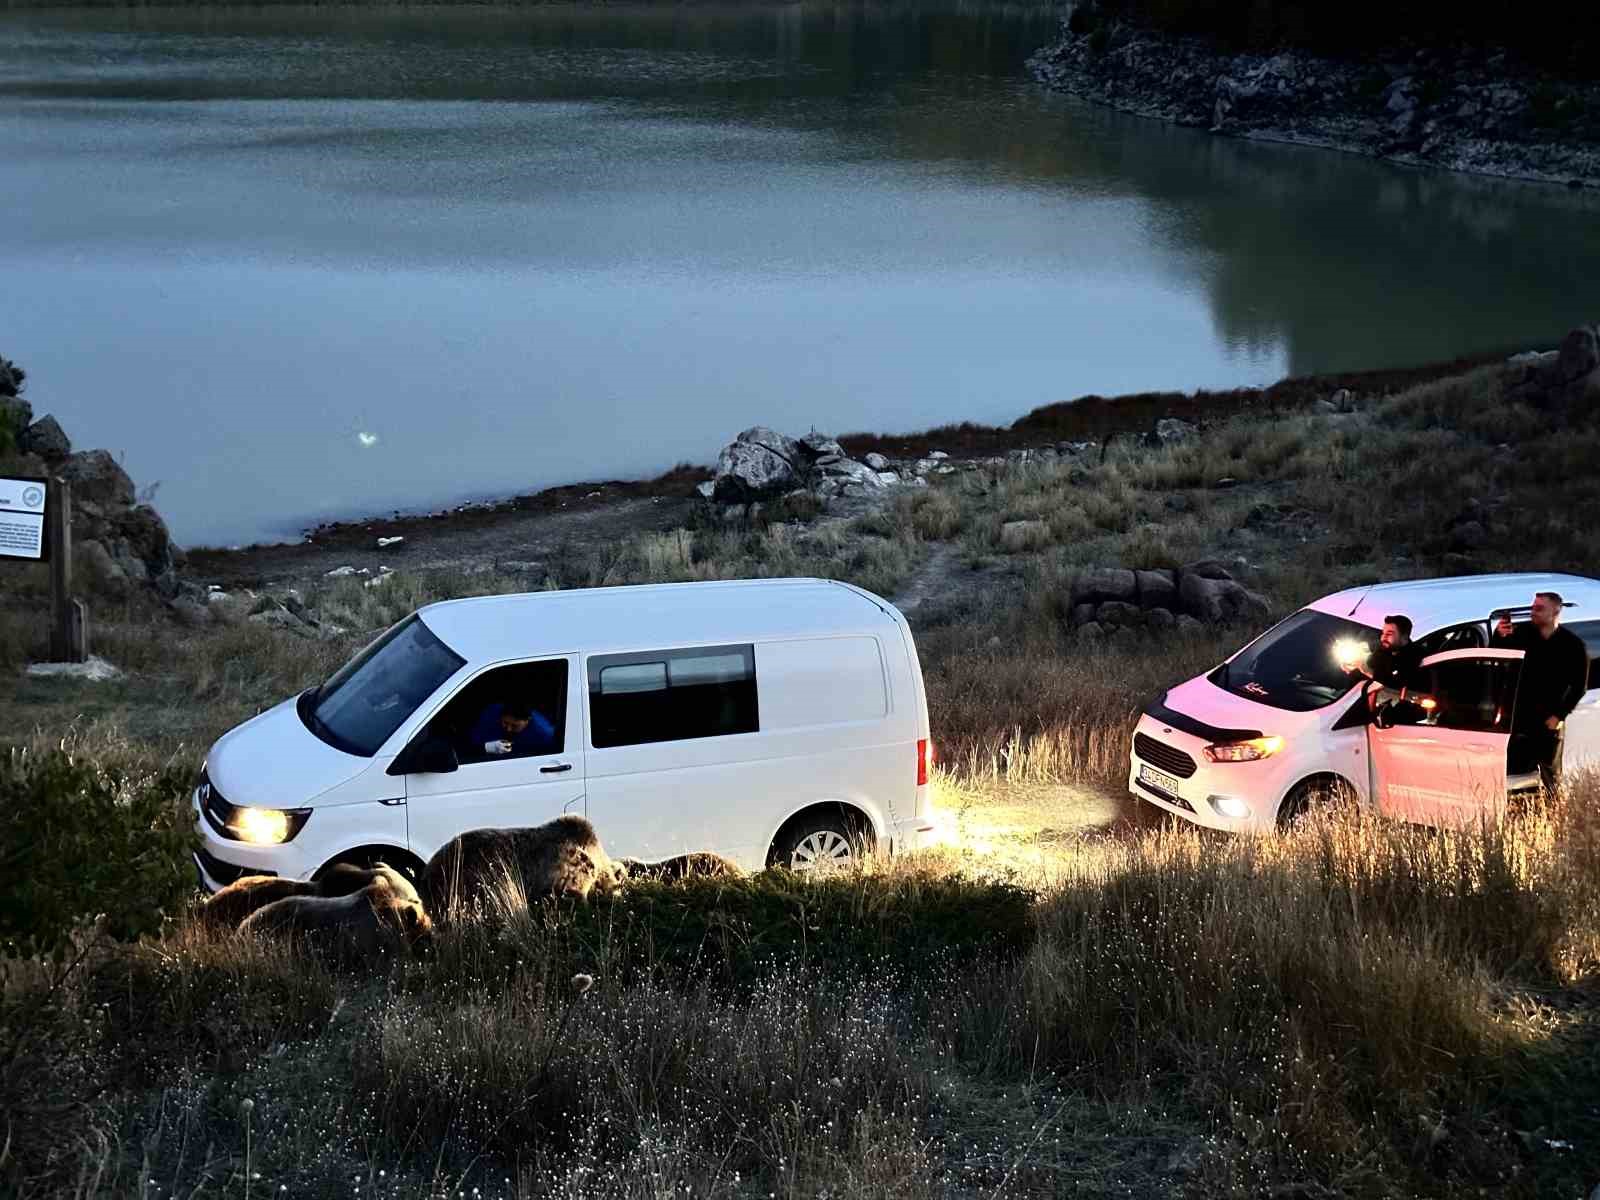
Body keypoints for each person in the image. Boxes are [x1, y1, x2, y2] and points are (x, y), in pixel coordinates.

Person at [1493, 592, 1590, 791]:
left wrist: (1559, 715)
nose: (1533, 612)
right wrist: (1499, 636)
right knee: (1514, 774)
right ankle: (1519, 814)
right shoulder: (1521, 634)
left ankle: (1548, 814)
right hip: (1518, 717)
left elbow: (1579, 686)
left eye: (1539, 608)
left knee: (1548, 776)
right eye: (1533, 607)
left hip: (1548, 721)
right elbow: (1497, 660)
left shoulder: (1572, 645)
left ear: (1555, 612)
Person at [1351, 614, 1422, 710]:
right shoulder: (1383, 649)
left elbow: (1394, 685)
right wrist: (1352, 669)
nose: (1383, 638)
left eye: (1389, 634)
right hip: (1359, 700)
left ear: (1404, 637)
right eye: (1383, 633)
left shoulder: (1414, 657)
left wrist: (1366, 671)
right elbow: (1371, 666)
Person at [464, 699, 558, 761]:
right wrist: (486, 747)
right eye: (505, 723)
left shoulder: (544, 735)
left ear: (527, 720)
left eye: (515, 726)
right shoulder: (490, 713)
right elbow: (468, 744)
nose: (508, 729)